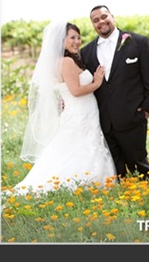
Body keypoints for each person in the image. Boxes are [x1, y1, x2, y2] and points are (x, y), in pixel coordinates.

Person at [15, 21, 117, 194]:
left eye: (78, 37)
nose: (77, 41)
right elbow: (76, 91)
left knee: (82, 146)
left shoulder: (67, 60)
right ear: (61, 41)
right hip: (79, 113)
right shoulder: (66, 61)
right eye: (72, 37)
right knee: (78, 147)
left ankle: (91, 179)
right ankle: (80, 181)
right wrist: (97, 82)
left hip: (83, 111)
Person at [80, 5, 149, 179]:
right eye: (95, 20)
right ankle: (123, 203)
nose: (101, 22)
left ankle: (148, 202)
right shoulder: (86, 52)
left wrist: (146, 109)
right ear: (93, 25)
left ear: (112, 17)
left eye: (104, 16)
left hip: (132, 117)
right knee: (115, 172)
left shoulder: (138, 43)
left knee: (140, 168)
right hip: (104, 121)